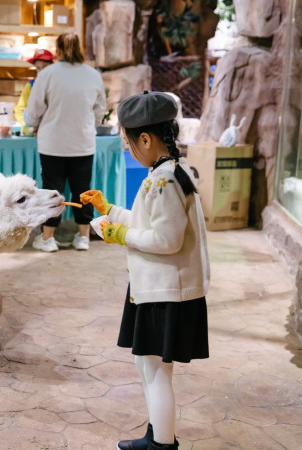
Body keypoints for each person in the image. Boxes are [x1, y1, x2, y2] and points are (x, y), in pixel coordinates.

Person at [80, 91, 210, 450]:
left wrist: (120, 235)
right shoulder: (169, 172)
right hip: (156, 286)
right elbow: (148, 221)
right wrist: (109, 209)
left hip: (165, 291)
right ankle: (156, 435)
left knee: (155, 371)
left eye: (128, 142)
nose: (129, 149)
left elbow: (166, 239)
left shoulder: (164, 181)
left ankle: (162, 444)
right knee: (147, 365)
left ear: (147, 140)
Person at [24, 33, 106, 252]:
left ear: (58, 51)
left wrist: (31, 123)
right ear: (80, 49)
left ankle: (48, 238)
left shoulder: (47, 74)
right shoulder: (93, 75)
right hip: (83, 143)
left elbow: (34, 110)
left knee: (52, 191)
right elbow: (100, 111)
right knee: (83, 190)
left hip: (53, 144)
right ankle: (84, 237)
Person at [14, 49, 56, 134]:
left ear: (52, 66)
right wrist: (28, 126)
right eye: (38, 68)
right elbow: (19, 110)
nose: (42, 71)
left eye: (45, 67)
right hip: (34, 132)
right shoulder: (31, 85)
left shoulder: (58, 85)